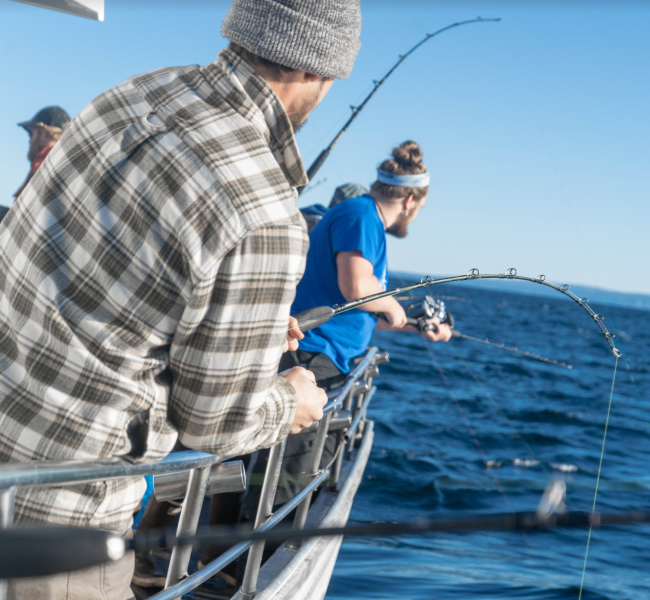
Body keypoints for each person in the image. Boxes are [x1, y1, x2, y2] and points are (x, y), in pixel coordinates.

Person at [0, 0, 361, 598]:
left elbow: (106, 284)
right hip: (62, 520)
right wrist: (288, 401)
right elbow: (215, 419)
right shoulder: (266, 207)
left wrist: (247, 331)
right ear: (315, 71)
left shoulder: (129, 94)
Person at [273, 141, 452, 506]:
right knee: (289, 477)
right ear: (409, 201)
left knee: (292, 470)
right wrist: (389, 301)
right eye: (420, 208)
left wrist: (415, 325)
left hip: (327, 358)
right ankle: (245, 560)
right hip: (312, 358)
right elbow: (356, 286)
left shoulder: (364, 222)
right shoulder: (361, 216)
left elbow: (361, 308)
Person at [13, 105, 71, 201]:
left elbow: (23, 208)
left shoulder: (43, 163)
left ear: (44, 131)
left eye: (31, 133)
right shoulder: (69, 162)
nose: (29, 140)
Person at [300, 181, 368, 233]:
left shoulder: (339, 228)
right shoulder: (315, 208)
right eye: (337, 194)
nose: (335, 199)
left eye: (342, 197)